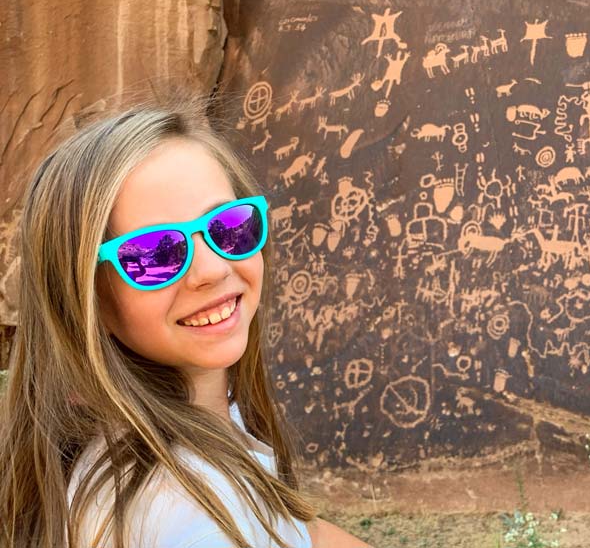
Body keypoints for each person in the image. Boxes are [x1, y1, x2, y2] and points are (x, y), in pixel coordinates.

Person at [0, 98, 369, 548]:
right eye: (155, 253)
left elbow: (295, 531)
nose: (212, 269)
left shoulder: (172, 422)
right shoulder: (190, 520)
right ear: (82, 296)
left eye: (229, 225)